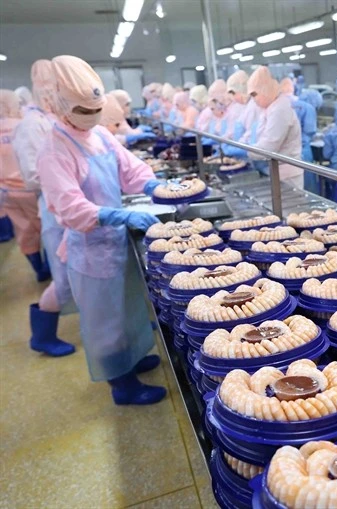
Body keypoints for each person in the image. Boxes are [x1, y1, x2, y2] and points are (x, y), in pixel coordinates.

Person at [37, 55, 166, 404]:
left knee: (129, 309)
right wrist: (118, 216)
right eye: (86, 112)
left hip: (117, 242)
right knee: (106, 320)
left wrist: (153, 186)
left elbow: (130, 167)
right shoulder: (55, 149)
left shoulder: (98, 136)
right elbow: (70, 207)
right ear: (64, 106)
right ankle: (122, 384)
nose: (93, 118)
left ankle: (134, 358)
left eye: (97, 110)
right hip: (91, 249)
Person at [12, 59, 76, 357]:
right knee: (63, 279)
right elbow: (32, 175)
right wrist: (67, 179)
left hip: (71, 206)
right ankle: (42, 335)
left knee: (77, 275)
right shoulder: (31, 125)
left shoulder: (51, 120)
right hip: (55, 210)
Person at [0, 89, 49, 281]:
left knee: (24, 230)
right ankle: (49, 268)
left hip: (5, 192)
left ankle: (38, 270)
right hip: (29, 189)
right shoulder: (23, 126)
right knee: (44, 228)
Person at [247, 66, 302, 187]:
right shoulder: (269, 108)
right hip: (276, 170)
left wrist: (247, 151)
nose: (253, 99)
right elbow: (257, 135)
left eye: (255, 94)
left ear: (265, 90)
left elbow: (269, 145)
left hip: (287, 174)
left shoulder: (280, 109)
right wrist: (245, 143)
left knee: (289, 205)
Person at [220, 71, 264, 158]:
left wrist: (236, 147)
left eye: (234, 93)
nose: (233, 98)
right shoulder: (245, 106)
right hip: (248, 154)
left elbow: (251, 135)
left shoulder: (253, 107)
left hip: (255, 155)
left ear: (242, 90)